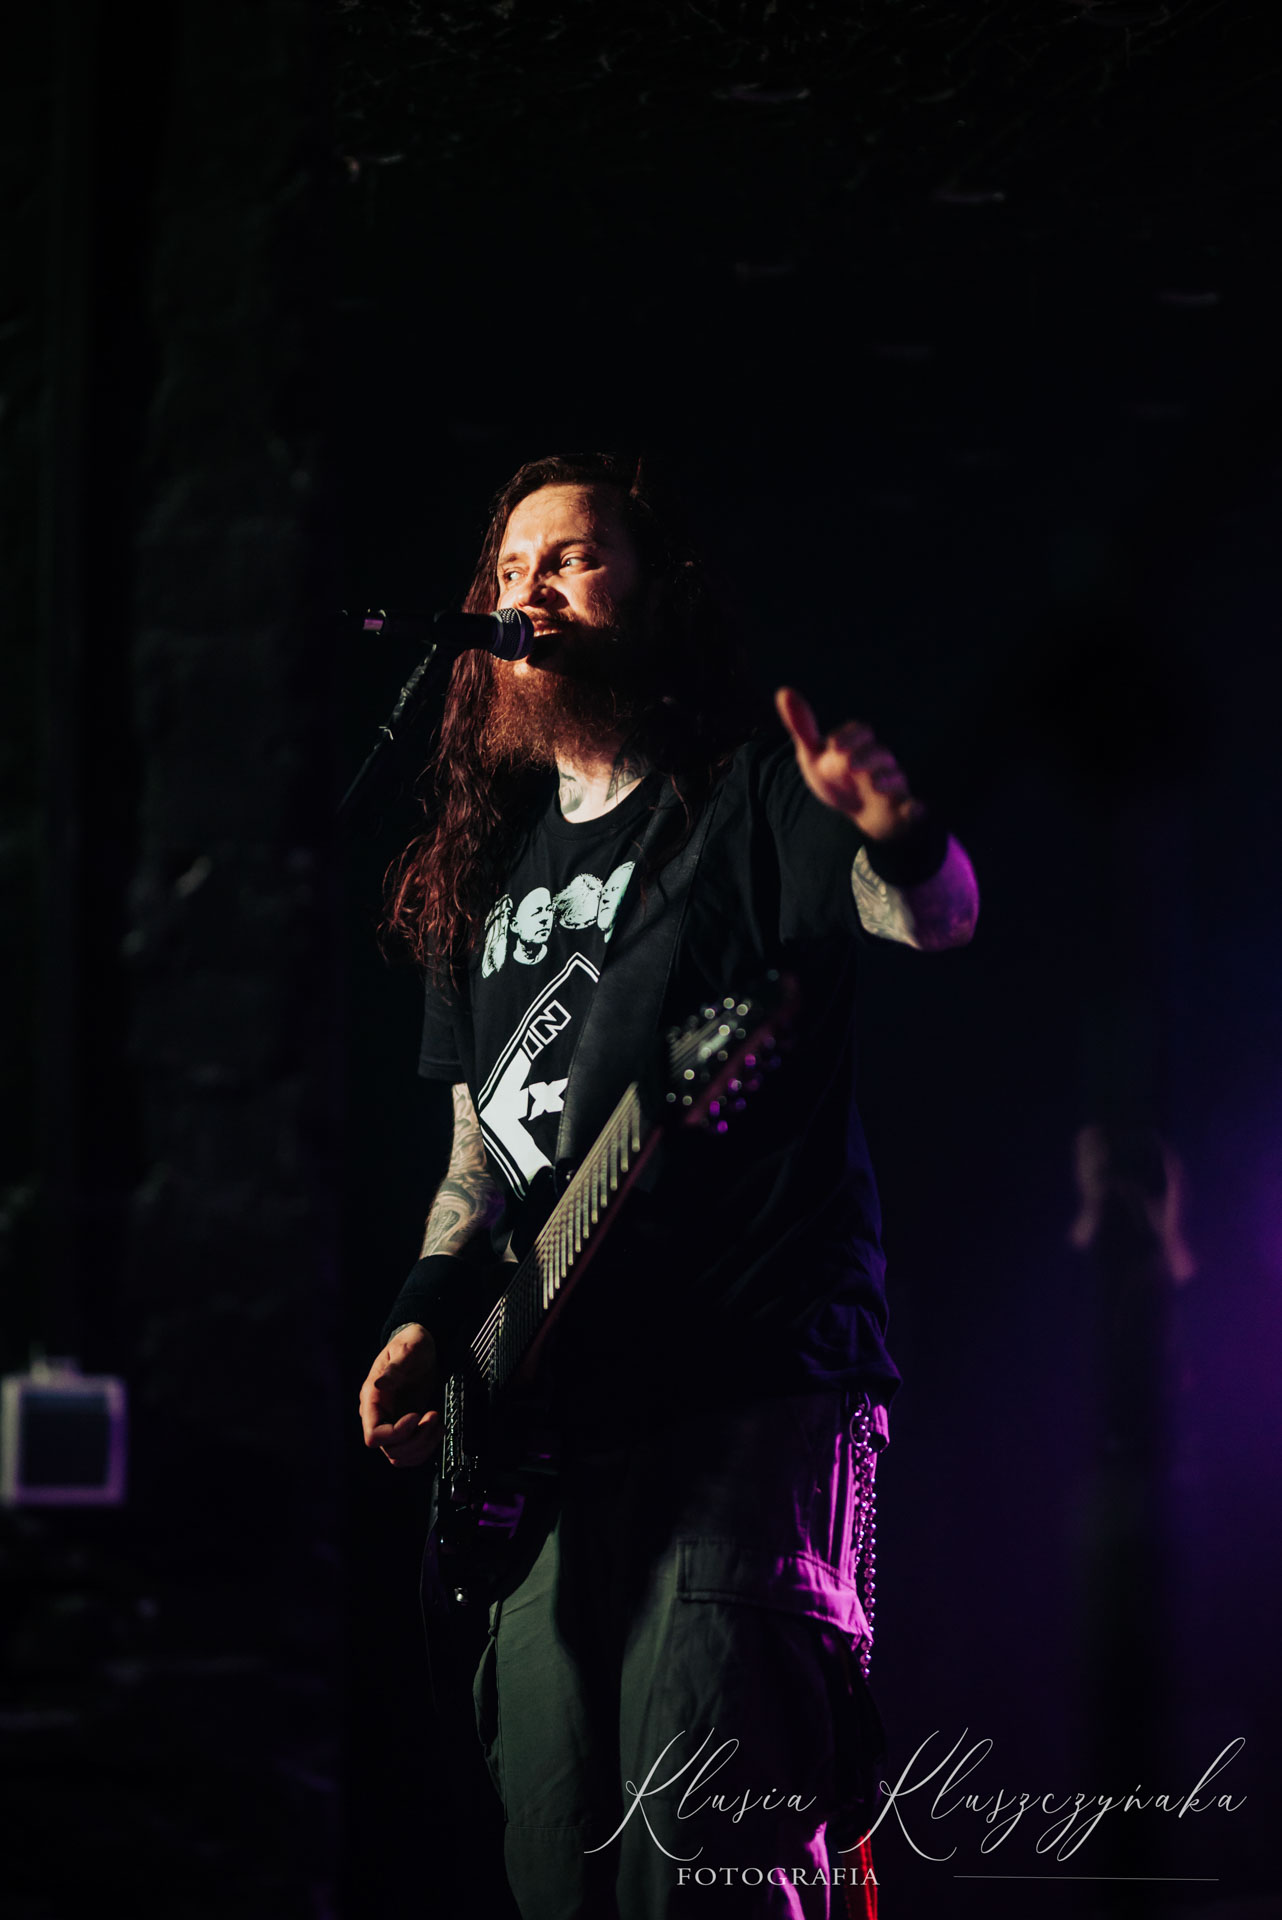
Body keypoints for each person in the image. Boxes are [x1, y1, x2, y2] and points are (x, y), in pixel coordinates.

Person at [357, 452, 979, 1919]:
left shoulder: (747, 797)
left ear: (654, 593)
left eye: (572, 560)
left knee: (709, 1863)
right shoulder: (482, 867)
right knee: (555, 1859)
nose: (532, 592)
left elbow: (936, 918)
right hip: (545, 1443)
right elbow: (478, 1153)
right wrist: (425, 1318)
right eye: (511, 571)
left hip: (749, 1390)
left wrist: (898, 833)